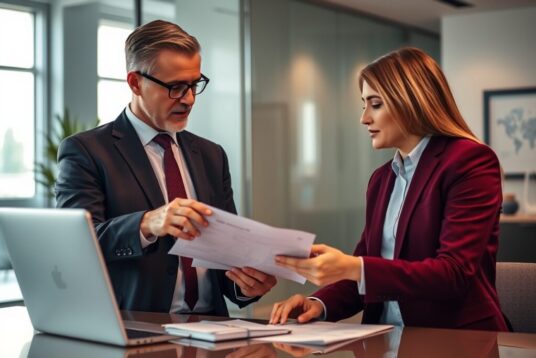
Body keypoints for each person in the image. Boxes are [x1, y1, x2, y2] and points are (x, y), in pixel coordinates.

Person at [270, 47, 509, 331]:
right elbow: (370, 271)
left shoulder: (470, 161)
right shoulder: (381, 179)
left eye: (376, 104)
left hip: (454, 339)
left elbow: (453, 274)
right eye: (363, 105)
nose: (364, 118)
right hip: (383, 341)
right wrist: (318, 304)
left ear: (410, 101)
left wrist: (353, 266)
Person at [56, 20, 276, 315]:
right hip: (136, 333)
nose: (188, 99)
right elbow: (77, 245)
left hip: (213, 334)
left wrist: (245, 285)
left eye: (194, 84)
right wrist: (147, 223)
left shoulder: (211, 155)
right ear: (135, 82)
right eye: (175, 87)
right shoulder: (87, 151)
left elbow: (225, 257)